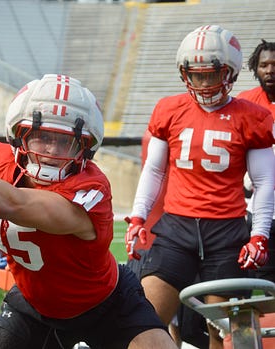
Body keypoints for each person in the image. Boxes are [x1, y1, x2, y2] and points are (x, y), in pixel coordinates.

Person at [0, 74, 178, 348]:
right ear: (19, 135)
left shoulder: (92, 187)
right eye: (41, 137)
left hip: (107, 303)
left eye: (65, 141)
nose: (51, 150)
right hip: (33, 303)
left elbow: (16, 204)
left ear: (85, 147)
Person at [125, 25, 275, 349]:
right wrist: (138, 217)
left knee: (225, 332)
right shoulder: (169, 109)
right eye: (197, 75)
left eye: (212, 74)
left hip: (226, 232)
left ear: (230, 72)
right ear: (184, 73)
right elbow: (154, 170)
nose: (204, 83)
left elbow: (264, 183)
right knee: (145, 322)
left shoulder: (253, 116)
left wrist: (259, 234)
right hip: (177, 229)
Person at [237, 39, 275, 283]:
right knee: (251, 278)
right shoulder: (245, 103)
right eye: (264, 65)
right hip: (255, 204)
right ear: (255, 68)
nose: (270, 70)